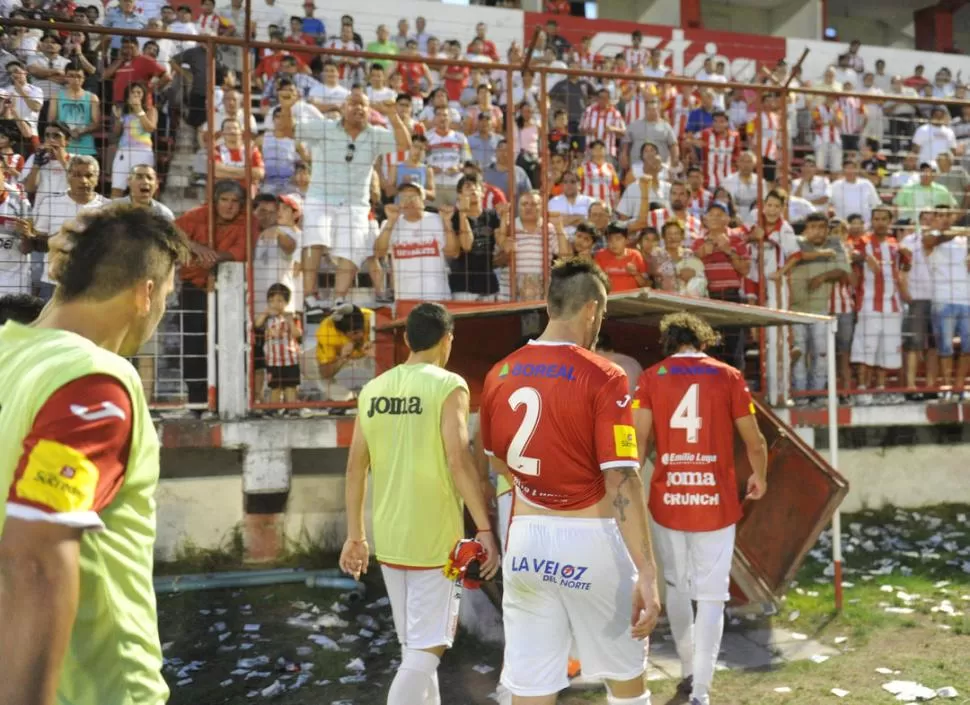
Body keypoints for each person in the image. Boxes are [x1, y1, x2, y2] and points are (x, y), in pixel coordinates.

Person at [0, 206, 189, 705]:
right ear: (145, 293)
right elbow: (38, 555)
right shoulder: (94, 381)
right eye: (166, 296)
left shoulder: (10, 353)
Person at [479, 259, 660, 705]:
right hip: (589, 539)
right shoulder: (604, 374)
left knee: (531, 690)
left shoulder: (499, 373)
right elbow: (622, 478)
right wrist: (649, 571)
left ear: (549, 305)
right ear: (593, 310)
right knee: (627, 687)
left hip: (526, 541)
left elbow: (495, 460)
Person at [339, 302, 499, 705]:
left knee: (414, 648)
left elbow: (355, 469)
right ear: (448, 340)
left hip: (390, 538)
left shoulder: (372, 390)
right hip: (436, 544)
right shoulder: (449, 385)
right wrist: (483, 528)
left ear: (407, 339)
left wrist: (356, 536)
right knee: (426, 654)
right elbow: (459, 461)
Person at [633, 312, 768, 705]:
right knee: (711, 596)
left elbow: (638, 442)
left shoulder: (651, 377)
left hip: (667, 497)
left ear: (668, 343)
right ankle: (702, 693)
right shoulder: (728, 376)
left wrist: (630, 485)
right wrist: (759, 475)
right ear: (703, 341)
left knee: (675, 586)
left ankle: (688, 671)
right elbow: (755, 441)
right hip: (716, 500)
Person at [280, 89, 408, 314]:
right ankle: (310, 299)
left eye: (363, 104)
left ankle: (339, 300)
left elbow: (404, 144)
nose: (358, 108)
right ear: (342, 108)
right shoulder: (324, 127)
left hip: (356, 203)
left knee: (351, 250)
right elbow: (287, 130)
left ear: (369, 110)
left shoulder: (376, 134)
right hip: (320, 197)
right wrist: (287, 107)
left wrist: (393, 114)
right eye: (353, 103)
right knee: (314, 241)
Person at [255, 282, 302, 404]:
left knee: (290, 387)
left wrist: (290, 321)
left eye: (279, 300)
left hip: (290, 359)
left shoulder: (292, 316)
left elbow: (298, 334)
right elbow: (257, 324)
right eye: (271, 301)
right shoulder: (267, 318)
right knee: (275, 388)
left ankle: (291, 410)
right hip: (273, 361)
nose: (275, 304)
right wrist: (265, 313)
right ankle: (274, 410)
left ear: (286, 302)